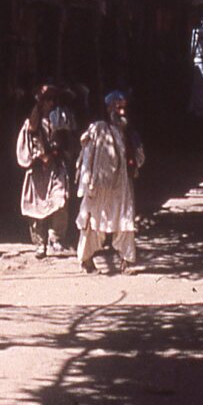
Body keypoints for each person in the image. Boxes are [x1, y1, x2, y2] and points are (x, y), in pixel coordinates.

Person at [75, 90, 145, 273]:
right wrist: (86, 182)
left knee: (125, 221)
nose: (121, 112)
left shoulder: (129, 133)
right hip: (99, 186)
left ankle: (127, 261)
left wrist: (132, 157)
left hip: (122, 186)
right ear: (108, 108)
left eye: (123, 108)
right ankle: (86, 260)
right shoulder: (99, 128)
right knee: (92, 221)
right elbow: (87, 156)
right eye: (117, 107)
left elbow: (139, 157)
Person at [16, 86, 69, 258]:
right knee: (36, 207)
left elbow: (67, 141)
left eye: (53, 99)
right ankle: (40, 243)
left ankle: (56, 238)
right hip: (38, 170)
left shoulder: (60, 119)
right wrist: (39, 156)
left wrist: (56, 152)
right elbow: (26, 146)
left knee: (60, 200)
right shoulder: (31, 124)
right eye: (47, 100)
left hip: (55, 167)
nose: (50, 103)